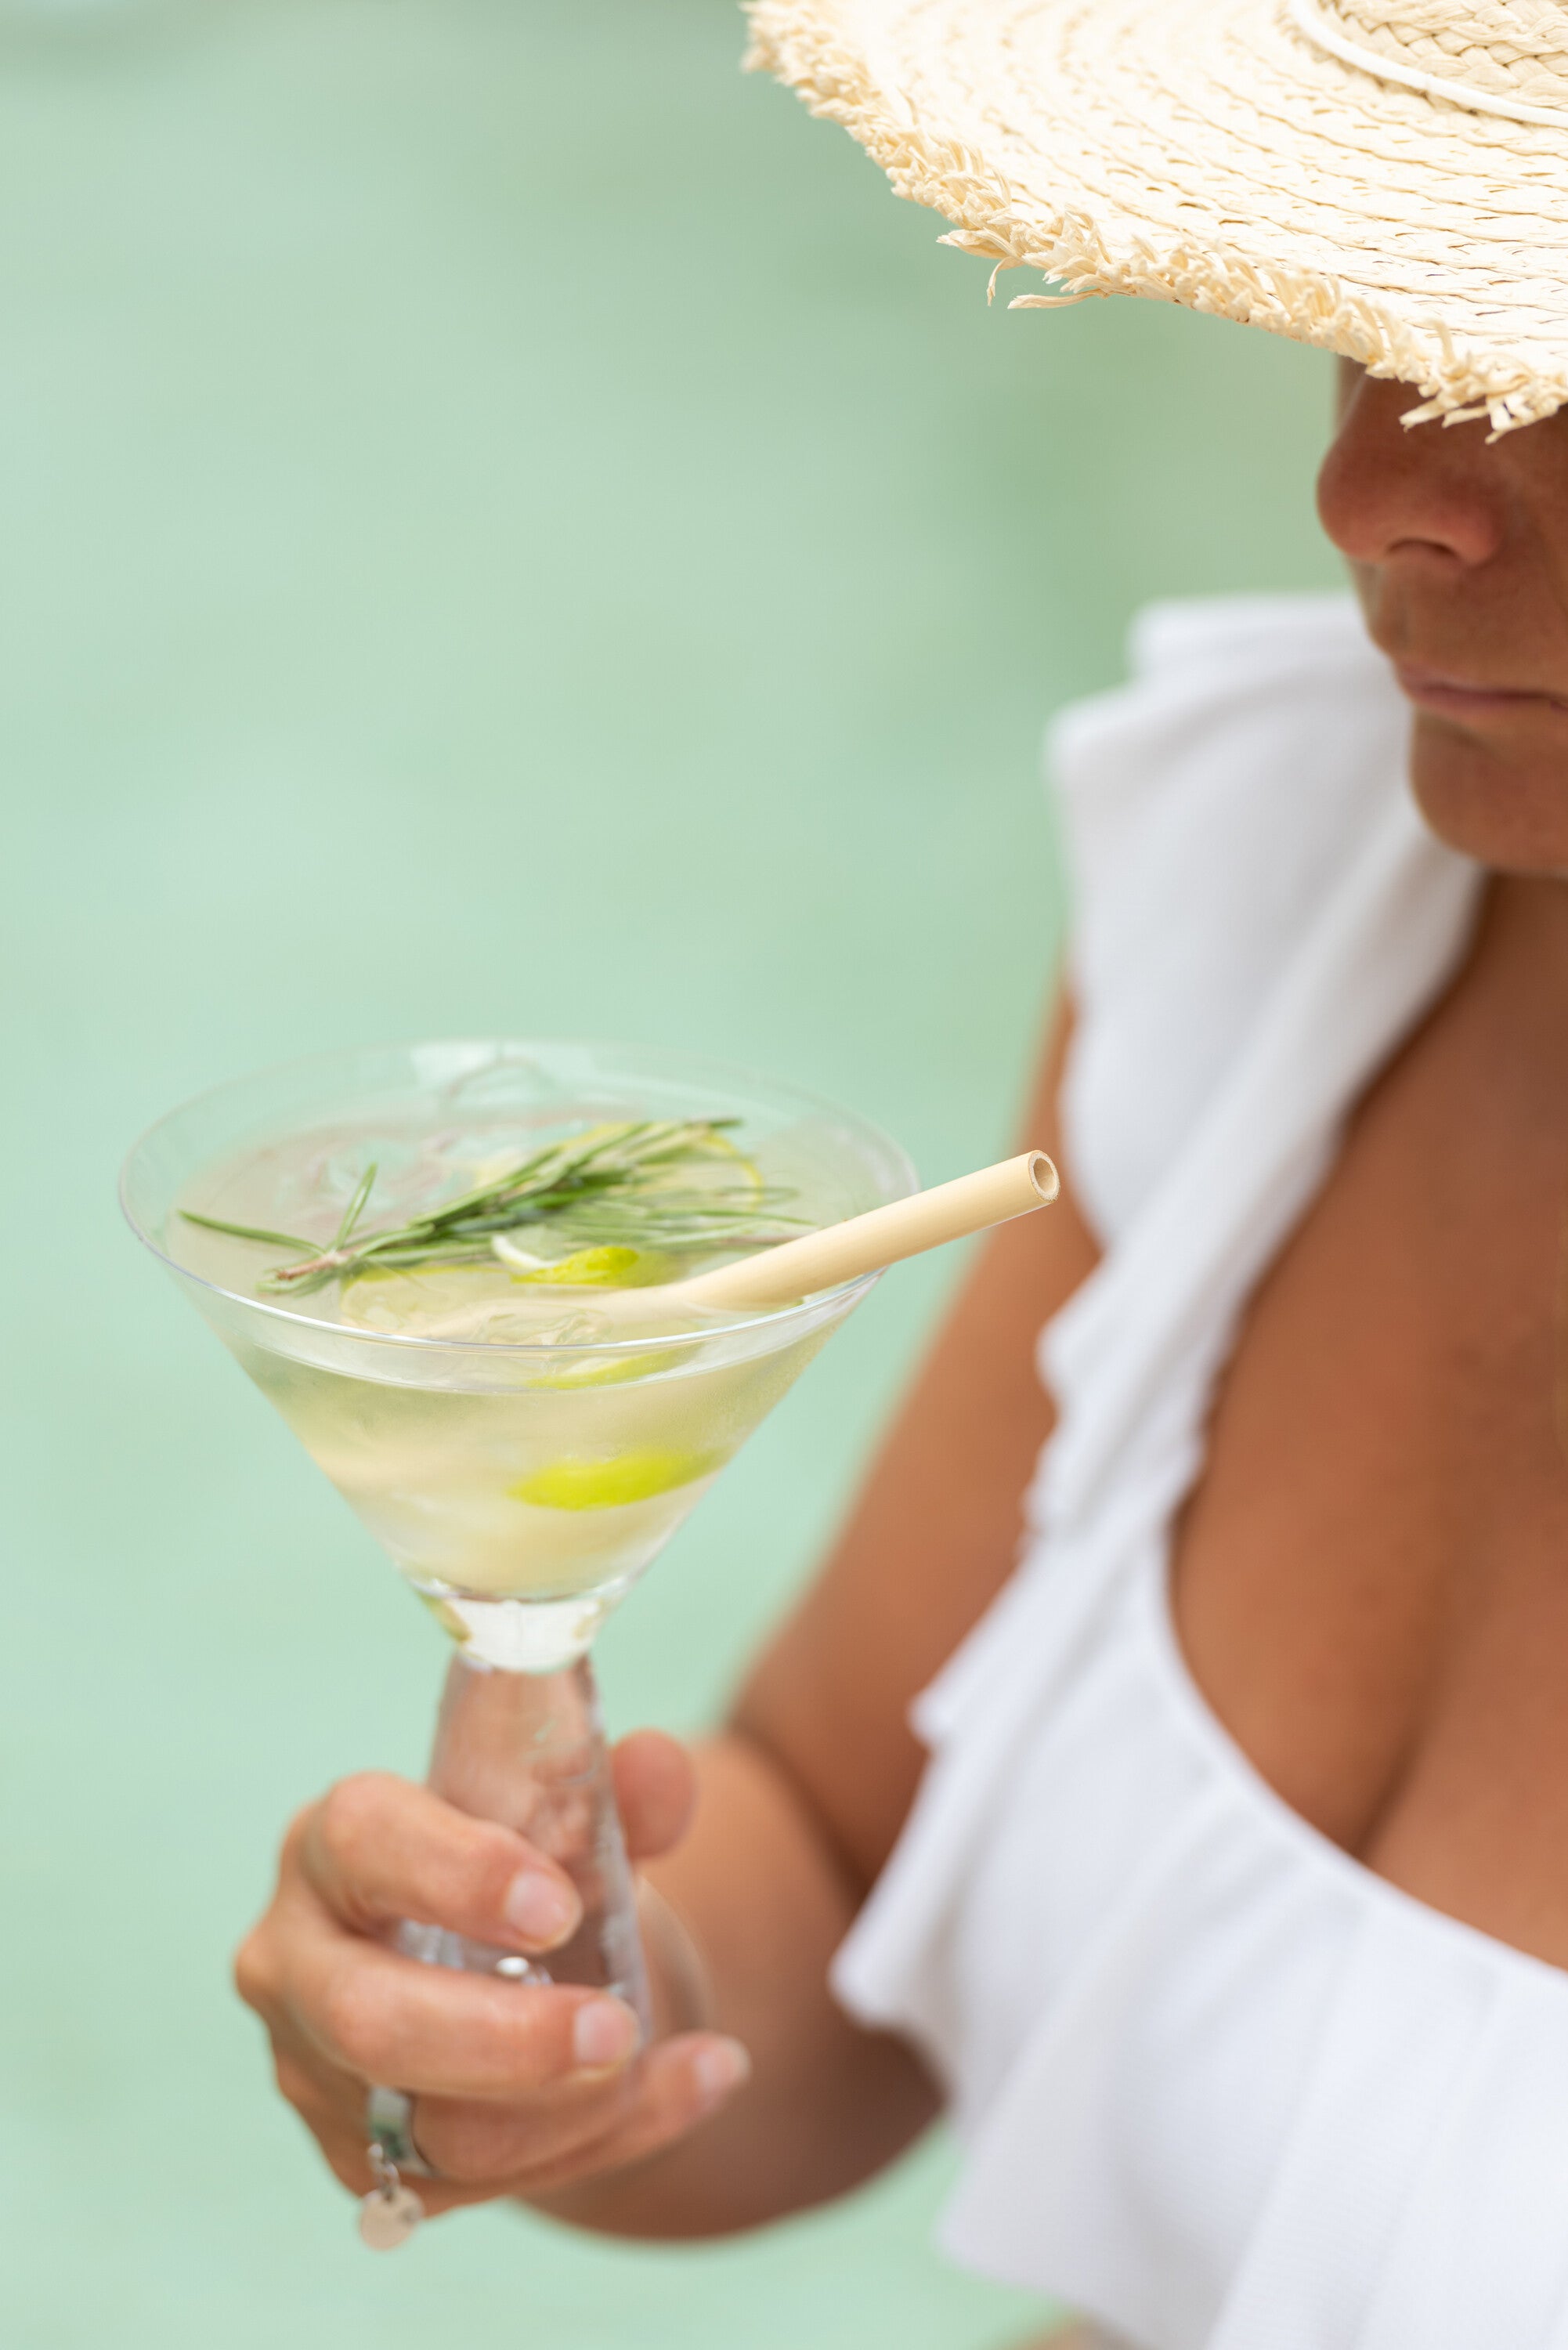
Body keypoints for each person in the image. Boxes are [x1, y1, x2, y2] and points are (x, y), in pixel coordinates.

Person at [233, 3, 1568, 2342]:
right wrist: (561, 2017)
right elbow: (840, 1857)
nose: (1375, 495)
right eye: (1385, 313)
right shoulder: (1289, 881)